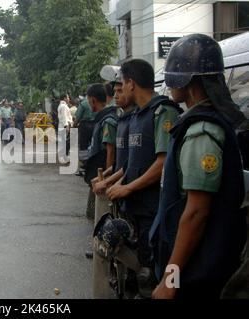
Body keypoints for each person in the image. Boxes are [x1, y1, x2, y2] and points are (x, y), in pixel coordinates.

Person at [149, 34, 248, 299]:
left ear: (189, 80)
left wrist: (171, 280)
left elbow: (196, 213)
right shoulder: (199, 122)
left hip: (197, 271)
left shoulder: (201, 131)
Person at [106, 59, 183, 298]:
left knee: (164, 266)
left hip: (159, 209)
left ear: (131, 83)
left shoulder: (163, 111)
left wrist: (127, 188)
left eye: (122, 83)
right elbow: (132, 163)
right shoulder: (137, 116)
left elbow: (162, 164)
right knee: (143, 267)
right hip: (139, 208)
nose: (120, 89)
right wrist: (117, 183)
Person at [82, 84, 118, 185]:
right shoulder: (101, 119)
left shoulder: (108, 121)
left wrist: (106, 180)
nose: (89, 104)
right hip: (97, 174)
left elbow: (110, 152)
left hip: (103, 177)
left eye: (89, 101)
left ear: (93, 100)